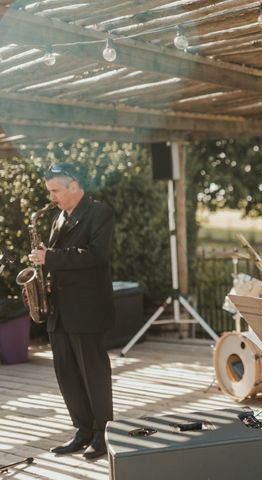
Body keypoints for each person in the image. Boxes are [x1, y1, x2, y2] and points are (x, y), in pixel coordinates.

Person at [29, 163, 115, 460]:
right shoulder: (57, 218)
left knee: (93, 374)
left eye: (55, 190)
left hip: (87, 308)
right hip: (60, 309)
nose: (52, 197)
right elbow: (58, 260)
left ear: (74, 186)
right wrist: (45, 276)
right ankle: (82, 431)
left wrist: (49, 257)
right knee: (67, 374)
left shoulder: (99, 212)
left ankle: (104, 434)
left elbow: (96, 256)